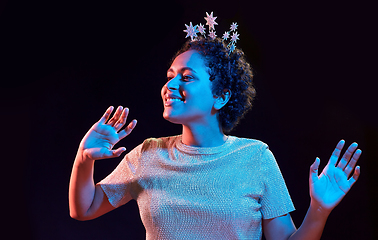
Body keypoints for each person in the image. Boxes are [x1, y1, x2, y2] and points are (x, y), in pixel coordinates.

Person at [69, 33, 362, 239]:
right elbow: (85, 209)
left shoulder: (256, 157)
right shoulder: (147, 155)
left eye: (186, 77)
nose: (169, 85)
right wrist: (83, 159)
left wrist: (319, 210)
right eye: (170, 75)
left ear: (220, 96)